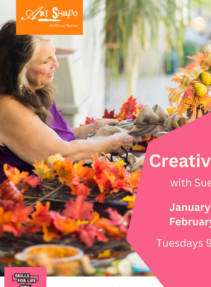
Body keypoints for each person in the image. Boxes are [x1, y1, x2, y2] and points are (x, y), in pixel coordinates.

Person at [0, 20, 136, 183]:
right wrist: (111, 143)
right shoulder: (8, 105)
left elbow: (45, 137)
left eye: (54, 54)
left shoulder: (32, 90)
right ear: (20, 69)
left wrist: (89, 129)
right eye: (46, 61)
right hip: (26, 198)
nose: (56, 64)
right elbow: (61, 154)